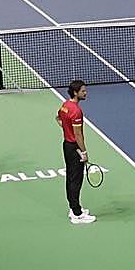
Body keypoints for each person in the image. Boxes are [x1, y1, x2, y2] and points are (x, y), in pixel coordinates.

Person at [58, 79, 94, 224]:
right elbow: (78, 135)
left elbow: (58, 118)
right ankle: (77, 214)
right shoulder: (76, 111)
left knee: (71, 178)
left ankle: (74, 207)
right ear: (75, 92)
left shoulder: (65, 106)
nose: (86, 93)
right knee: (76, 180)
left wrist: (67, 130)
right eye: (83, 91)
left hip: (66, 144)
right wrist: (83, 152)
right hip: (74, 148)